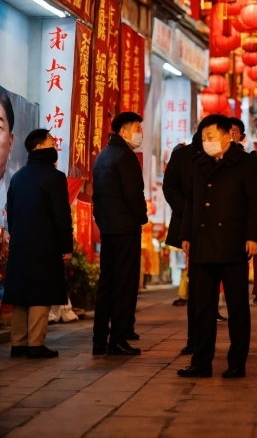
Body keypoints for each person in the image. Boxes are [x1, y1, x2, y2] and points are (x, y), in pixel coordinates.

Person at [178, 114, 257, 379]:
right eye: (203, 137)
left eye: (211, 137)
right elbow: (191, 202)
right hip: (203, 244)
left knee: (237, 307)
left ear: (228, 136)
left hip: (233, 243)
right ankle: (200, 362)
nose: (206, 142)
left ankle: (237, 363)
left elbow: (256, 202)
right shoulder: (198, 163)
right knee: (202, 307)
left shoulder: (247, 163)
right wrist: (187, 235)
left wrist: (253, 236)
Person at [3, 129, 73, 359]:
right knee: (41, 294)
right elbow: (61, 216)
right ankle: (35, 344)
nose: (55, 146)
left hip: (21, 244)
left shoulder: (18, 176)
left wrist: (19, 236)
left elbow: (10, 214)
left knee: (21, 294)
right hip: (45, 244)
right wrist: (66, 247)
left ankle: (18, 343)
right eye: (52, 142)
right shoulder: (54, 177)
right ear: (40, 147)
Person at [92, 111, 148, 357]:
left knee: (107, 284)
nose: (140, 133)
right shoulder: (125, 156)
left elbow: (98, 197)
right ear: (124, 131)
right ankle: (118, 339)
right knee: (125, 285)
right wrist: (142, 217)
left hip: (109, 228)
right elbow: (133, 194)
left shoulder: (103, 156)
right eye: (137, 128)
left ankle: (99, 340)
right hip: (125, 229)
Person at [163, 127, 204, 352]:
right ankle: (194, 340)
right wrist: (186, 212)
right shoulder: (182, 156)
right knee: (196, 285)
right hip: (190, 228)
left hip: (221, 232)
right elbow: (169, 187)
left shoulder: (229, 157)